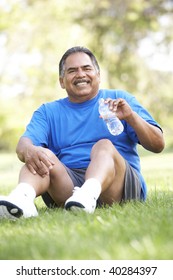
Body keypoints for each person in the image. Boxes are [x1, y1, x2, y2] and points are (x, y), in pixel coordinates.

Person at [0, 46, 164, 220]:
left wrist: (131, 117)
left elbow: (157, 144)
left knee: (104, 145)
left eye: (86, 68)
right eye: (72, 71)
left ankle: (89, 192)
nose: (80, 74)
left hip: (118, 185)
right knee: (40, 154)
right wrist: (31, 151)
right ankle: (21, 200)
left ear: (98, 76)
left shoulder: (119, 99)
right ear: (62, 81)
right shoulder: (48, 111)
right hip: (70, 189)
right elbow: (23, 145)